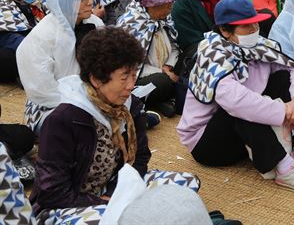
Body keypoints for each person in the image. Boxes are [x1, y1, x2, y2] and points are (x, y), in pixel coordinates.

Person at [30, 27, 200, 224]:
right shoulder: (65, 119)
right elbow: (51, 192)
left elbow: (141, 157)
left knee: (185, 185)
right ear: (95, 79)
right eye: (124, 77)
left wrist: (118, 192)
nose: (130, 85)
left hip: (114, 188)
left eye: (134, 75)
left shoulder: (128, 106)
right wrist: (102, 201)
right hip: (70, 204)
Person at [177, 0, 294, 196]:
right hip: (208, 143)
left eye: (255, 23)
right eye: (245, 27)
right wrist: (285, 111)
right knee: (240, 108)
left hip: (245, 131)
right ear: (225, 31)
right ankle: (284, 167)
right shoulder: (212, 56)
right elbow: (238, 102)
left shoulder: (259, 46)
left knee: (281, 76)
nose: (254, 30)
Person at [17, 0, 103, 132]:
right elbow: (42, 90)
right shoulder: (42, 36)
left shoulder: (94, 23)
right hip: (53, 106)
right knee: (76, 123)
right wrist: (82, 103)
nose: (90, 2)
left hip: (94, 97)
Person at [117, 0, 185, 118]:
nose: (171, 6)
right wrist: (162, 72)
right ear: (153, 4)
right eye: (167, 2)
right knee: (161, 82)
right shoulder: (131, 24)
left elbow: (174, 46)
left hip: (167, 69)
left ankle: (160, 99)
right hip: (141, 77)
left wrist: (170, 65)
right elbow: (129, 65)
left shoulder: (164, 18)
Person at [0, 0, 46, 83]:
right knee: (6, 56)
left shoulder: (39, 2)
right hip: (17, 48)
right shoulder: (2, 4)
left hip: (38, 49)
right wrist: (30, 45)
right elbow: (5, 37)